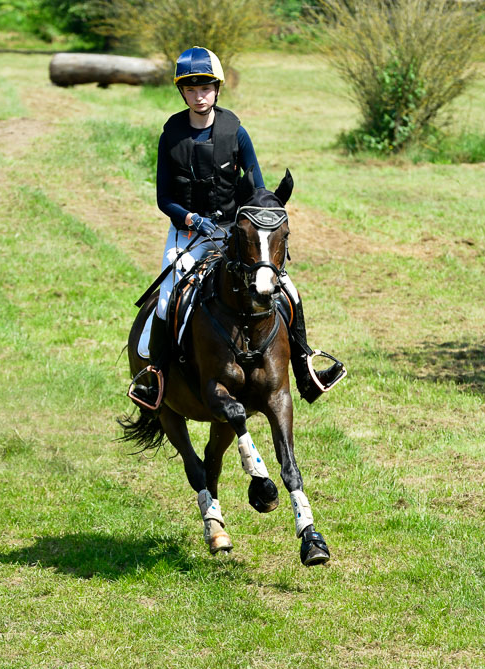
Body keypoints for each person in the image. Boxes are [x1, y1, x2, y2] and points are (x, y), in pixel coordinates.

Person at [135, 46, 345, 408]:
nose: (198, 96)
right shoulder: (171, 136)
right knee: (168, 298)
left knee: (288, 291)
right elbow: (164, 198)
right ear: (181, 92)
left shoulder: (237, 133)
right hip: (188, 234)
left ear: (217, 89)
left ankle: (305, 367)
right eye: (190, 89)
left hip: (236, 233)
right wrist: (190, 218)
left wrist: (249, 225)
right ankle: (155, 376)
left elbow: (258, 191)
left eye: (205, 88)